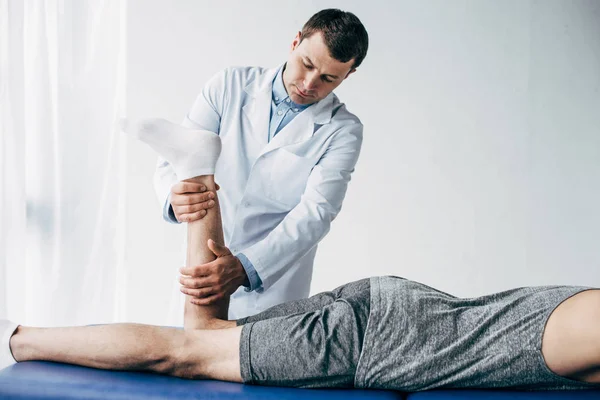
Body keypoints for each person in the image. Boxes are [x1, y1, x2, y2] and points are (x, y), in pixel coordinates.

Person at [1, 121, 600, 392]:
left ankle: (194, 163)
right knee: (183, 353)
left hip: (388, 316)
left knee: (203, 329)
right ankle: (17, 338)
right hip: (372, 340)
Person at [152, 9, 369, 319]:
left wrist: (244, 268)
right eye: (306, 64)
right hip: (200, 265)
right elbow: (176, 158)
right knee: (181, 355)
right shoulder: (228, 86)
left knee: (248, 362)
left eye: (328, 78)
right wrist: (174, 197)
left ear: (348, 75)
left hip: (272, 290)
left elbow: (316, 214)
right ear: (295, 42)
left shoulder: (342, 130)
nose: (309, 83)